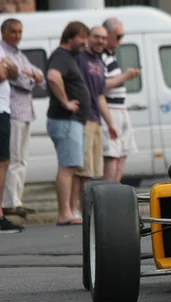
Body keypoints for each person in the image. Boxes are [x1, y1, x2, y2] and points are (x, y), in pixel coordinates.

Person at [45, 21, 91, 226]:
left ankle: (69, 210)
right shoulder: (61, 56)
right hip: (66, 120)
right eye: (82, 37)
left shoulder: (69, 57)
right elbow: (53, 77)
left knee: (71, 167)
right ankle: (64, 213)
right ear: (70, 37)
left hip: (73, 121)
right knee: (67, 167)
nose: (85, 42)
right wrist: (65, 102)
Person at [0, 18, 45, 220]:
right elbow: (20, 79)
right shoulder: (4, 52)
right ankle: (9, 202)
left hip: (25, 111)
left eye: (20, 32)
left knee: (22, 159)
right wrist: (28, 76)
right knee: (13, 159)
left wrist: (28, 75)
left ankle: (16, 199)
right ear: (4, 32)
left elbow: (40, 77)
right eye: (14, 32)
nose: (17, 36)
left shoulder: (18, 54)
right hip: (13, 110)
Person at [72, 26, 117, 217]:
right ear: (88, 39)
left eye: (104, 38)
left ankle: (85, 211)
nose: (100, 41)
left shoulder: (99, 62)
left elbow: (100, 96)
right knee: (80, 169)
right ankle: (73, 209)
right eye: (96, 37)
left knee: (91, 171)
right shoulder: (79, 59)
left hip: (96, 120)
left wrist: (110, 123)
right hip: (82, 120)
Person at [101, 17, 140, 183]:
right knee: (113, 154)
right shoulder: (101, 56)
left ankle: (114, 188)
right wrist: (126, 76)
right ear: (107, 34)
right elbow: (102, 84)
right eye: (118, 36)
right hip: (110, 110)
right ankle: (109, 190)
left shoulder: (111, 55)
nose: (120, 40)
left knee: (122, 153)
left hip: (120, 109)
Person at [0, 35, 21, 233]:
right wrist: (7, 69)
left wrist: (8, 69)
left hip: (4, 110)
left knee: (4, 162)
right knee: (1, 162)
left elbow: (15, 73)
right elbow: (3, 74)